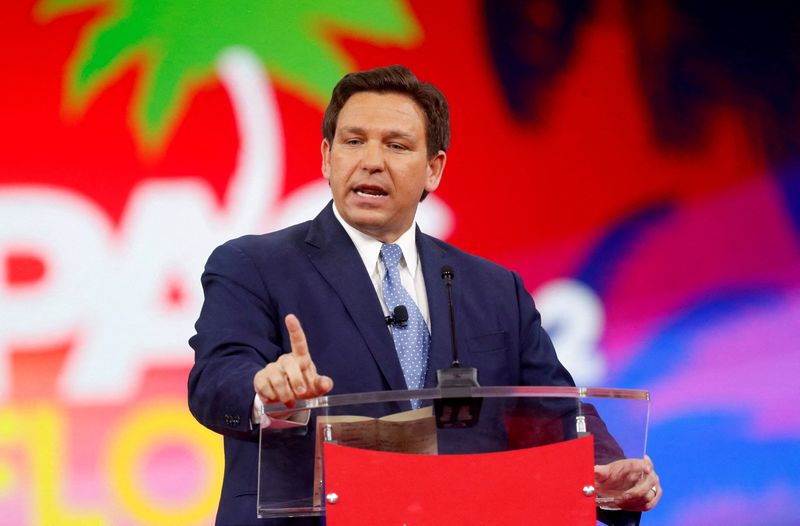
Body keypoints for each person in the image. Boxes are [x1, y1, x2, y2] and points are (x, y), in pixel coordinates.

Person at [188, 65, 661, 525]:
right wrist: (265, 389)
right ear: (327, 157)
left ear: (433, 170)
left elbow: (557, 407)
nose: (371, 161)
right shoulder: (253, 264)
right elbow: (216, 376)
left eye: (396, 145)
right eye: (353, 141)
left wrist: (608, 473)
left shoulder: (495, 289)